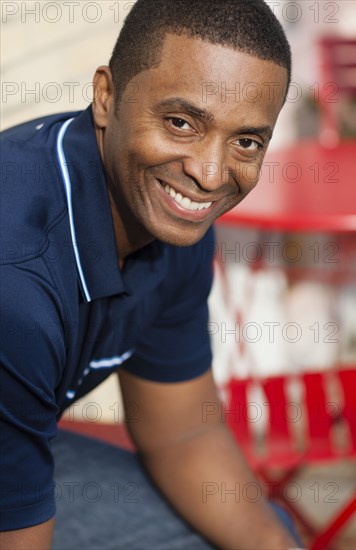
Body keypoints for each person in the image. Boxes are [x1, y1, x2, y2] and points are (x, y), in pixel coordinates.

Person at [0, 0, 304, 548]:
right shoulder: (17, 279)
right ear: (106, 96)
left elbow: (183, 431)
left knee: (264, 532)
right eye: (181, 122)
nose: (210, 175)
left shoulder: (169, 212)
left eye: (246, 142)